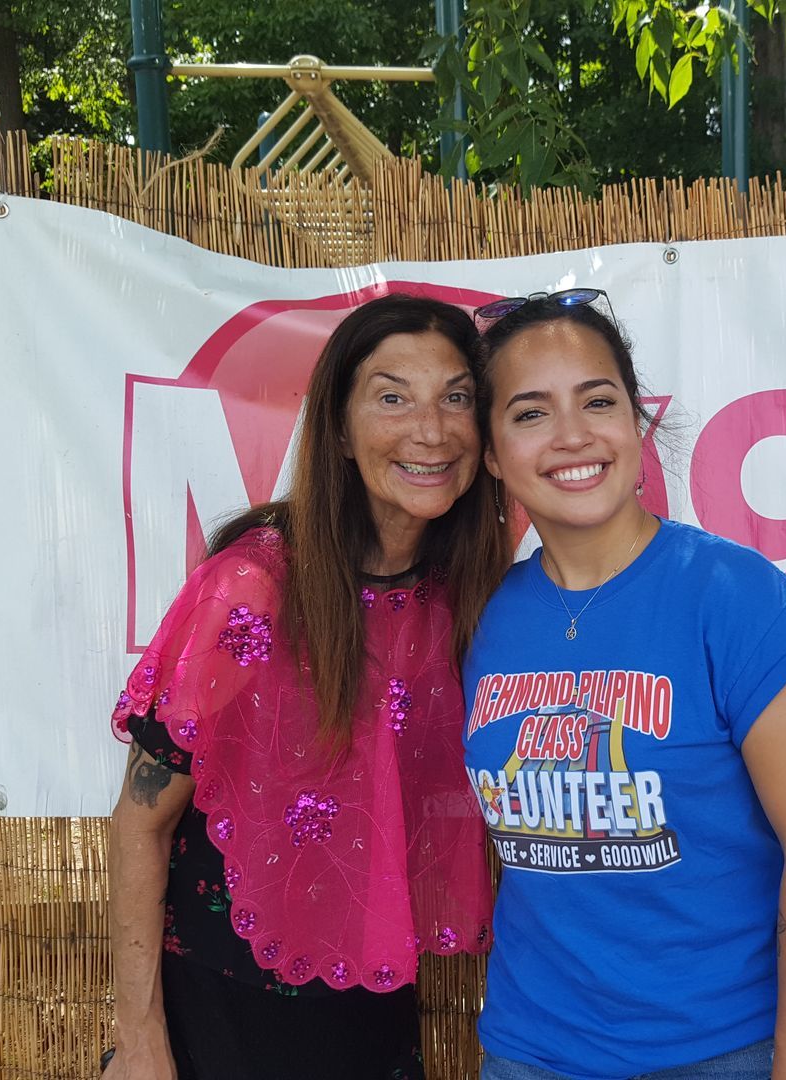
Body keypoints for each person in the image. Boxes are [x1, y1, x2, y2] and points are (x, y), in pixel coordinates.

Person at [104, 294, 511, 1080]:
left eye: (456, 397)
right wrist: (141, 1040)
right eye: (392, 397)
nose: (430, 429)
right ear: (339, 430)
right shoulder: (253, 588)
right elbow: (139, 825)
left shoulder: (465, 596)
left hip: (374, 1006)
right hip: (222, 1014)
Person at [461, 289, 786, 1080]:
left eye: (597, 401)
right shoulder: (481, 617)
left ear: (637, 425)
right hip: (530, 1054)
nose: (572, 435)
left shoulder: (740, 600)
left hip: (724, 1054)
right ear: (494, 454)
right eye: (531, 413)